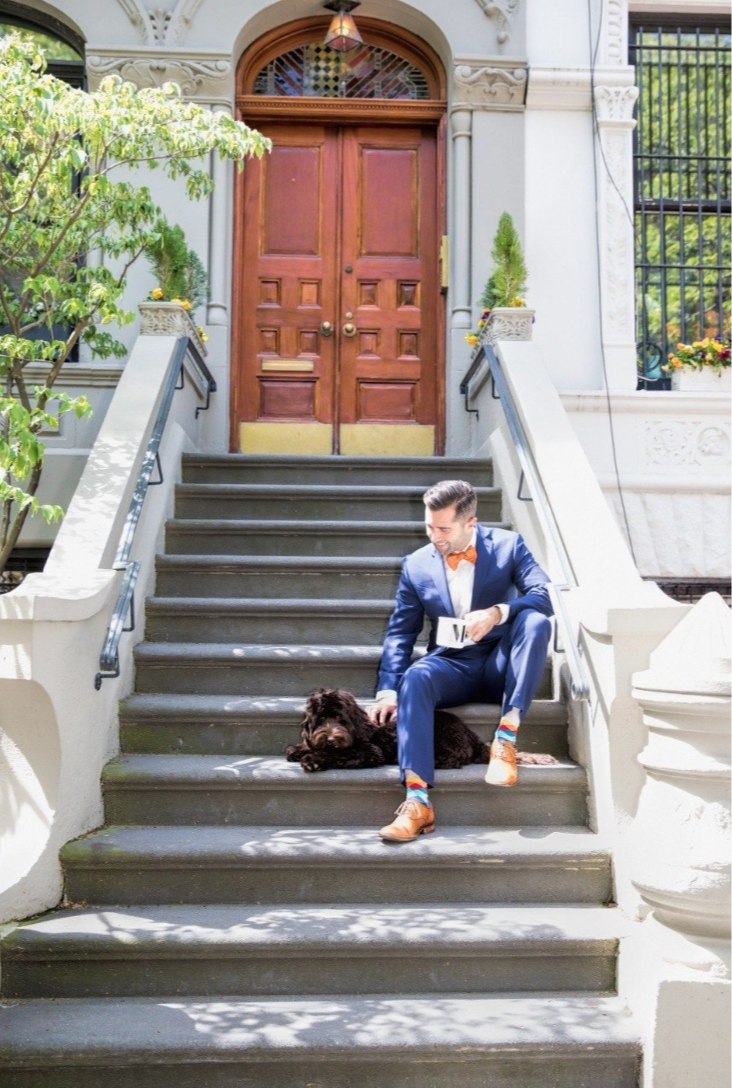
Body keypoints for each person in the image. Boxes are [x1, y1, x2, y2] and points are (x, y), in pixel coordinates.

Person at [368, 479, 554, 843]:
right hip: (454, 664)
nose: (434, 536)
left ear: (470, 523)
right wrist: (387, 689)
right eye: (428, 526)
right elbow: (401, 632)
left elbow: (544, 594)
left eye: (443, 528)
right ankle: (417, 801)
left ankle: (506, 736)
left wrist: (499, 612)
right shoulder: (416, 565)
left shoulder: (507, 545)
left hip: (503, 663)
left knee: (535, 621)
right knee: (416, 677)